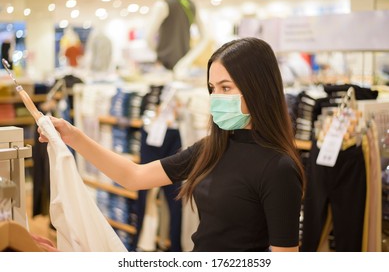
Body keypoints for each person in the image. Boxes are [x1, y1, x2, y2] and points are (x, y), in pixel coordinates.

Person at [38, 37, 304, 252]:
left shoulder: (279, 168)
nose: (215, 98)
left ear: (258, 88)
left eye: (226, 88)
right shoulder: (212, 147)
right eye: (212, 88)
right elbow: (134, 176)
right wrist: (73, 137)